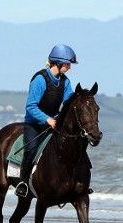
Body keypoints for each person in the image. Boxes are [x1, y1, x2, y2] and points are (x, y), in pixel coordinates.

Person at [14, 44, 77, 198]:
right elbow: (31, 106)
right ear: (58, 62)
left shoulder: (65, 82)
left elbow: (69, 102)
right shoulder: (40, 80)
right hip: (34, 124)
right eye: (68, 64)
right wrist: (47, 119)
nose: (69, 67)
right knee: (31, 148)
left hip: (54, 124)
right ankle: (23, 183)